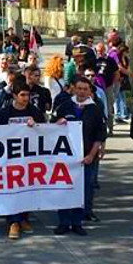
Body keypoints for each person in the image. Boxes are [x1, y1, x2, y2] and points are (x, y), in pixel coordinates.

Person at [0, 82, 48, 240]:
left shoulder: (33, 111)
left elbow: (45, 130)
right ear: (15, 95)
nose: (25, 98)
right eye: (22, 95)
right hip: (9, 159)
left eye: (27, 95)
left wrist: (35, 126)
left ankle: (24, 218)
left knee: (26, 187)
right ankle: (13, 222)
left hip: (29, 158)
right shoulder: (4, 112)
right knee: (11, 188)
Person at [52, 77, 106, 236]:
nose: (82, 92)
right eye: (79, 88)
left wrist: (91, 155)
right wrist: (57, 123)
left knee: (83, 190)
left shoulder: (95, 110)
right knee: (64, 189)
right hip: (65, 157)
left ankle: (77, 222)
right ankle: (63, 222)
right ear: (74, 89)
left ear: (90, 91)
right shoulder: (65, 106)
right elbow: (50, 128)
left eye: (85, 89)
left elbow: (99, 135)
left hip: (86, 158)